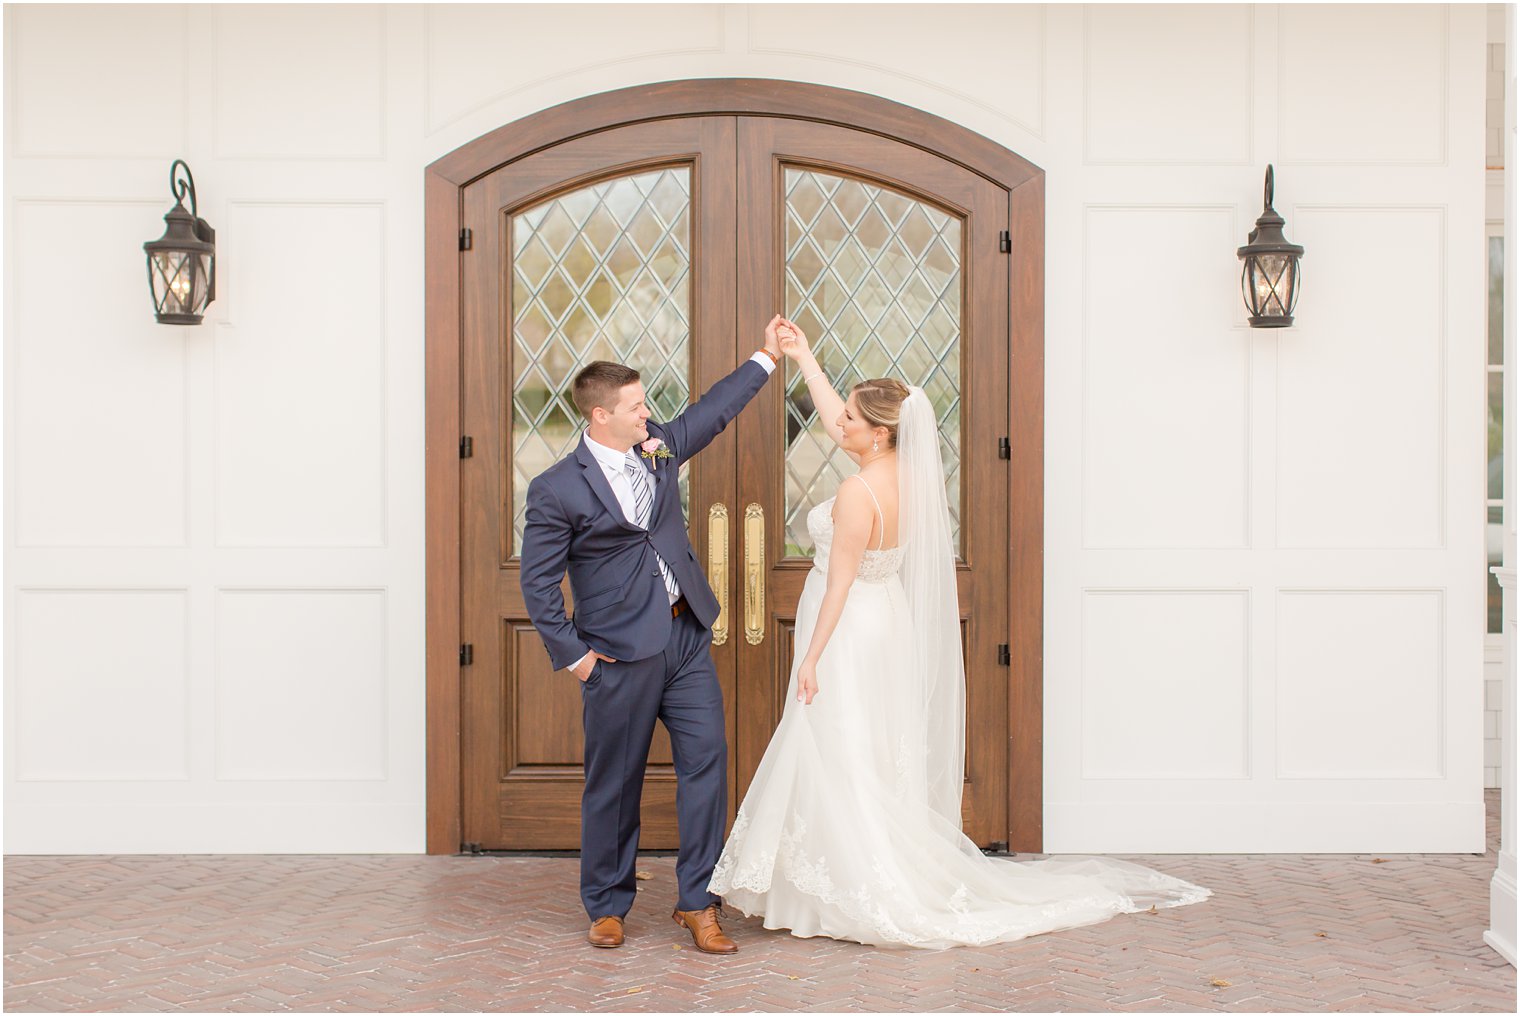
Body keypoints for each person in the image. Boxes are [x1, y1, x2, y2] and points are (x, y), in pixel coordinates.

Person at [708, 319, 1210, 949]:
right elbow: (841, 420)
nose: (840, 429)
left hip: (848, 626)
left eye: (853, 423)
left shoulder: (856, 493)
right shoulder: (906, 477)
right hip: (884, 619)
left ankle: (853, 886)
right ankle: (836, 880)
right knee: (865, 747)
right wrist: (804, 355)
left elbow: (836, 586)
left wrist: (811, 657)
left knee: (839, 747)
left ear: (880, 434)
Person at [518, 317, 784, 953]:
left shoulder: (657, 446)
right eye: (637, 406)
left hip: (684, 635)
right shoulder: (555, 489)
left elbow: (712, 412)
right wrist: (577, 659)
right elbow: (537, 584)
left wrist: (766, 358)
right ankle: (607, 905)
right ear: (602, 416)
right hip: (616, 654)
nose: (649, 414)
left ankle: (699, 902)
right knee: (615, 781)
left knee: (707, 764)